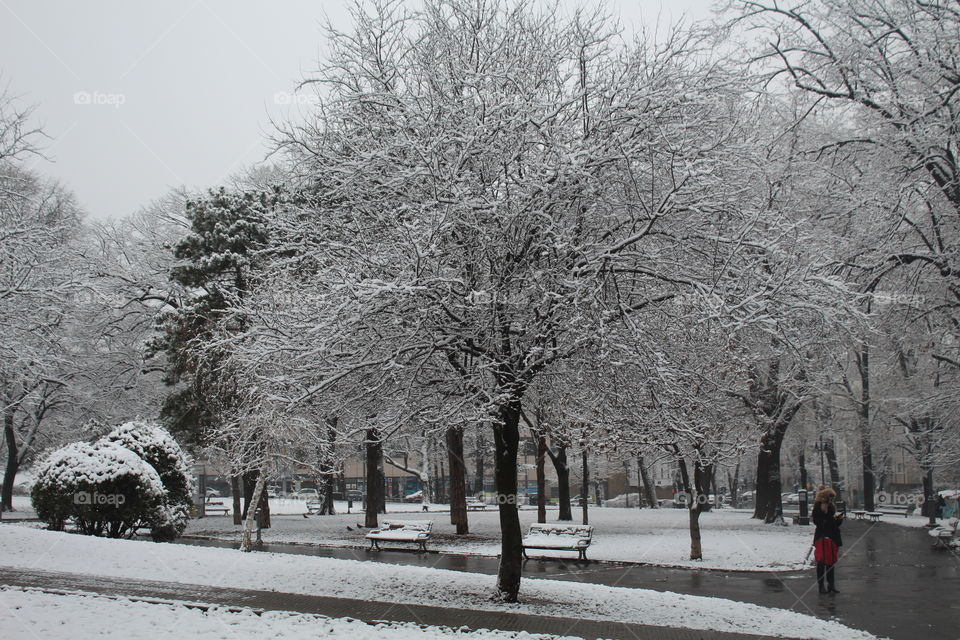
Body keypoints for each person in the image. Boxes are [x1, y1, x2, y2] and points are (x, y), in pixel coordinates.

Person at [812, 486, 843, 594]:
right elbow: (817, 521)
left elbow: (832, 522)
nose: (831, 500)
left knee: (831, 562)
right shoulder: (818, 506)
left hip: (832, 537)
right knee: (821, 562)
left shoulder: (831, 506)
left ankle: (831, 584)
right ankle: (821, 586)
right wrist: (827, 521)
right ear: (825, 497)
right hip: (822, 537)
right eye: (830, 497)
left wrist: (838, 520)